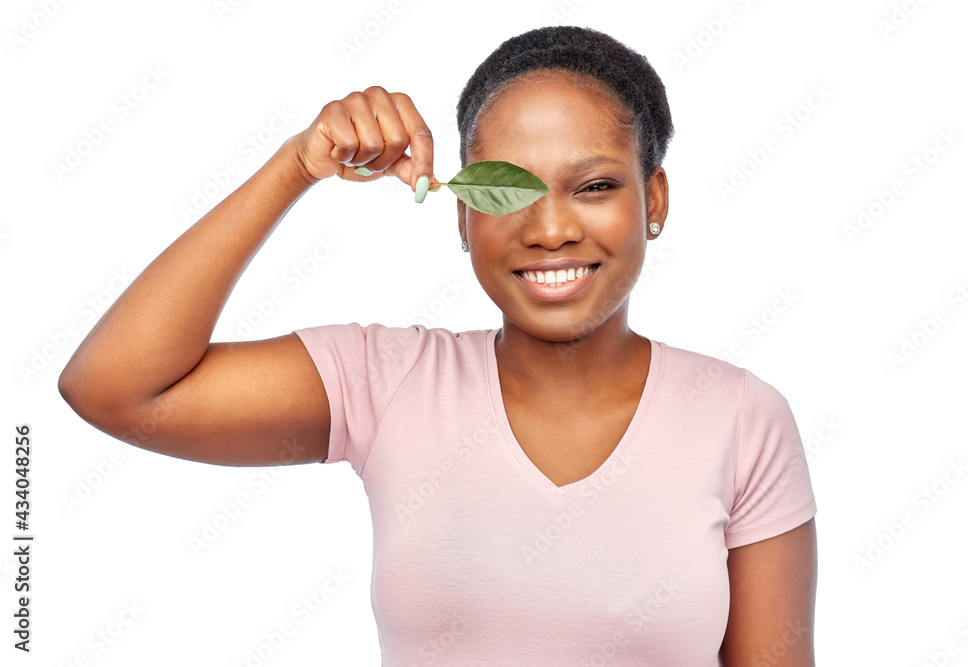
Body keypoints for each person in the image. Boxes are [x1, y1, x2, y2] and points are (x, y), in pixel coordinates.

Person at [59, 25, 818, 666]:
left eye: (593, 186)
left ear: (653, 200)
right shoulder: (387, 382)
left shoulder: (740, 418)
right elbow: (117, 388)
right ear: (462, 218)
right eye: (508, 188)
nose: (550, 228)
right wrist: (297, 166)